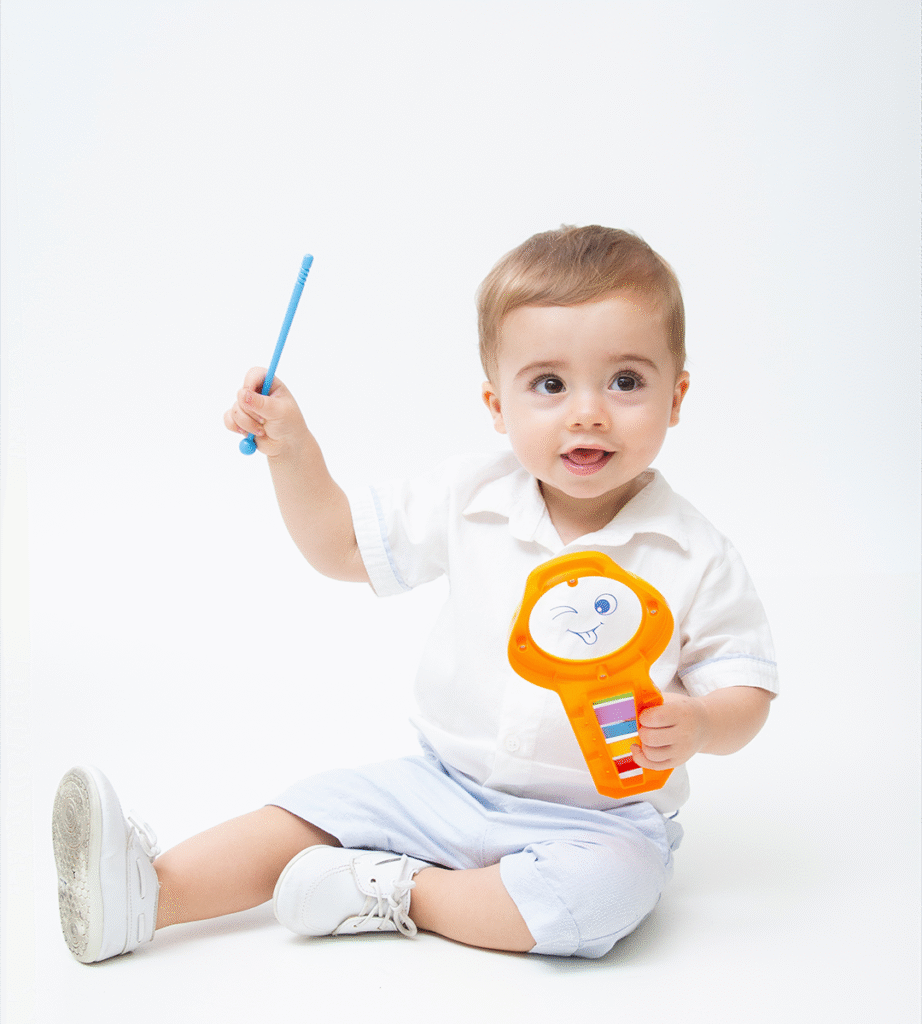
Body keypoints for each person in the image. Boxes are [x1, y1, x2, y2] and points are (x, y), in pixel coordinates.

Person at [53, 225, 778, 964]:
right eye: (549, 385)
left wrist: (700, 724)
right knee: (311, 809)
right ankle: (148, 896)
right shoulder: (469, 495)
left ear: (676, 396)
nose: (587, 412)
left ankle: (396, 889)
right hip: (442, 783)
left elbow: (746, 691)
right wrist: (292, 452)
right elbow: (341, 547)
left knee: (601, 895)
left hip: (600, 820)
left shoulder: (696, 554)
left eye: (625, 382)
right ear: (497, 405)